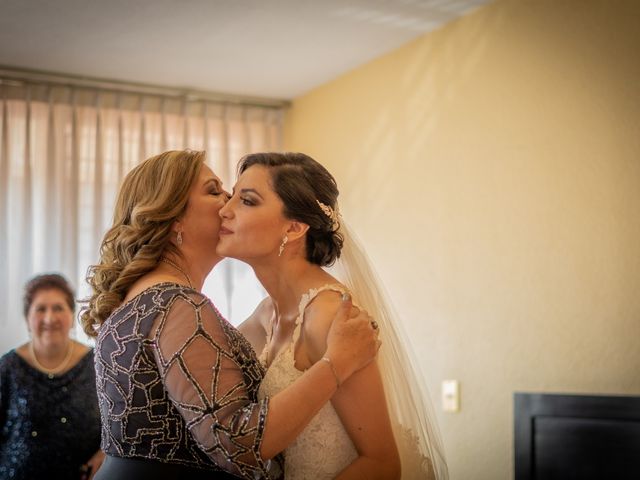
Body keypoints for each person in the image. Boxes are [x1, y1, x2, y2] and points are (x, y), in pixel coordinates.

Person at [80, 149, 379, 479]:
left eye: (242, 198)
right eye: (214, 191)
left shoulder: (144, 299)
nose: (226, 204)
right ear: (174, 218)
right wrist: (335, 365)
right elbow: (235, 443)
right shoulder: (178, 304)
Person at [217, 152, 449, 480]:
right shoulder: (265, 314)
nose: (224, 211)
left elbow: (382, 464)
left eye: (248, 201)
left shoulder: (330, 317)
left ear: (295, 227)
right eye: (230, 197)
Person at [0, 273, 103, 480]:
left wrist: (105, 455)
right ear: (28, 318)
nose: (49, 318)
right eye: (40, 309)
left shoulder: (98, 363)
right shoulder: (8, 366)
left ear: (71, 315)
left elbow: (120, 426)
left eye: (58, 308)